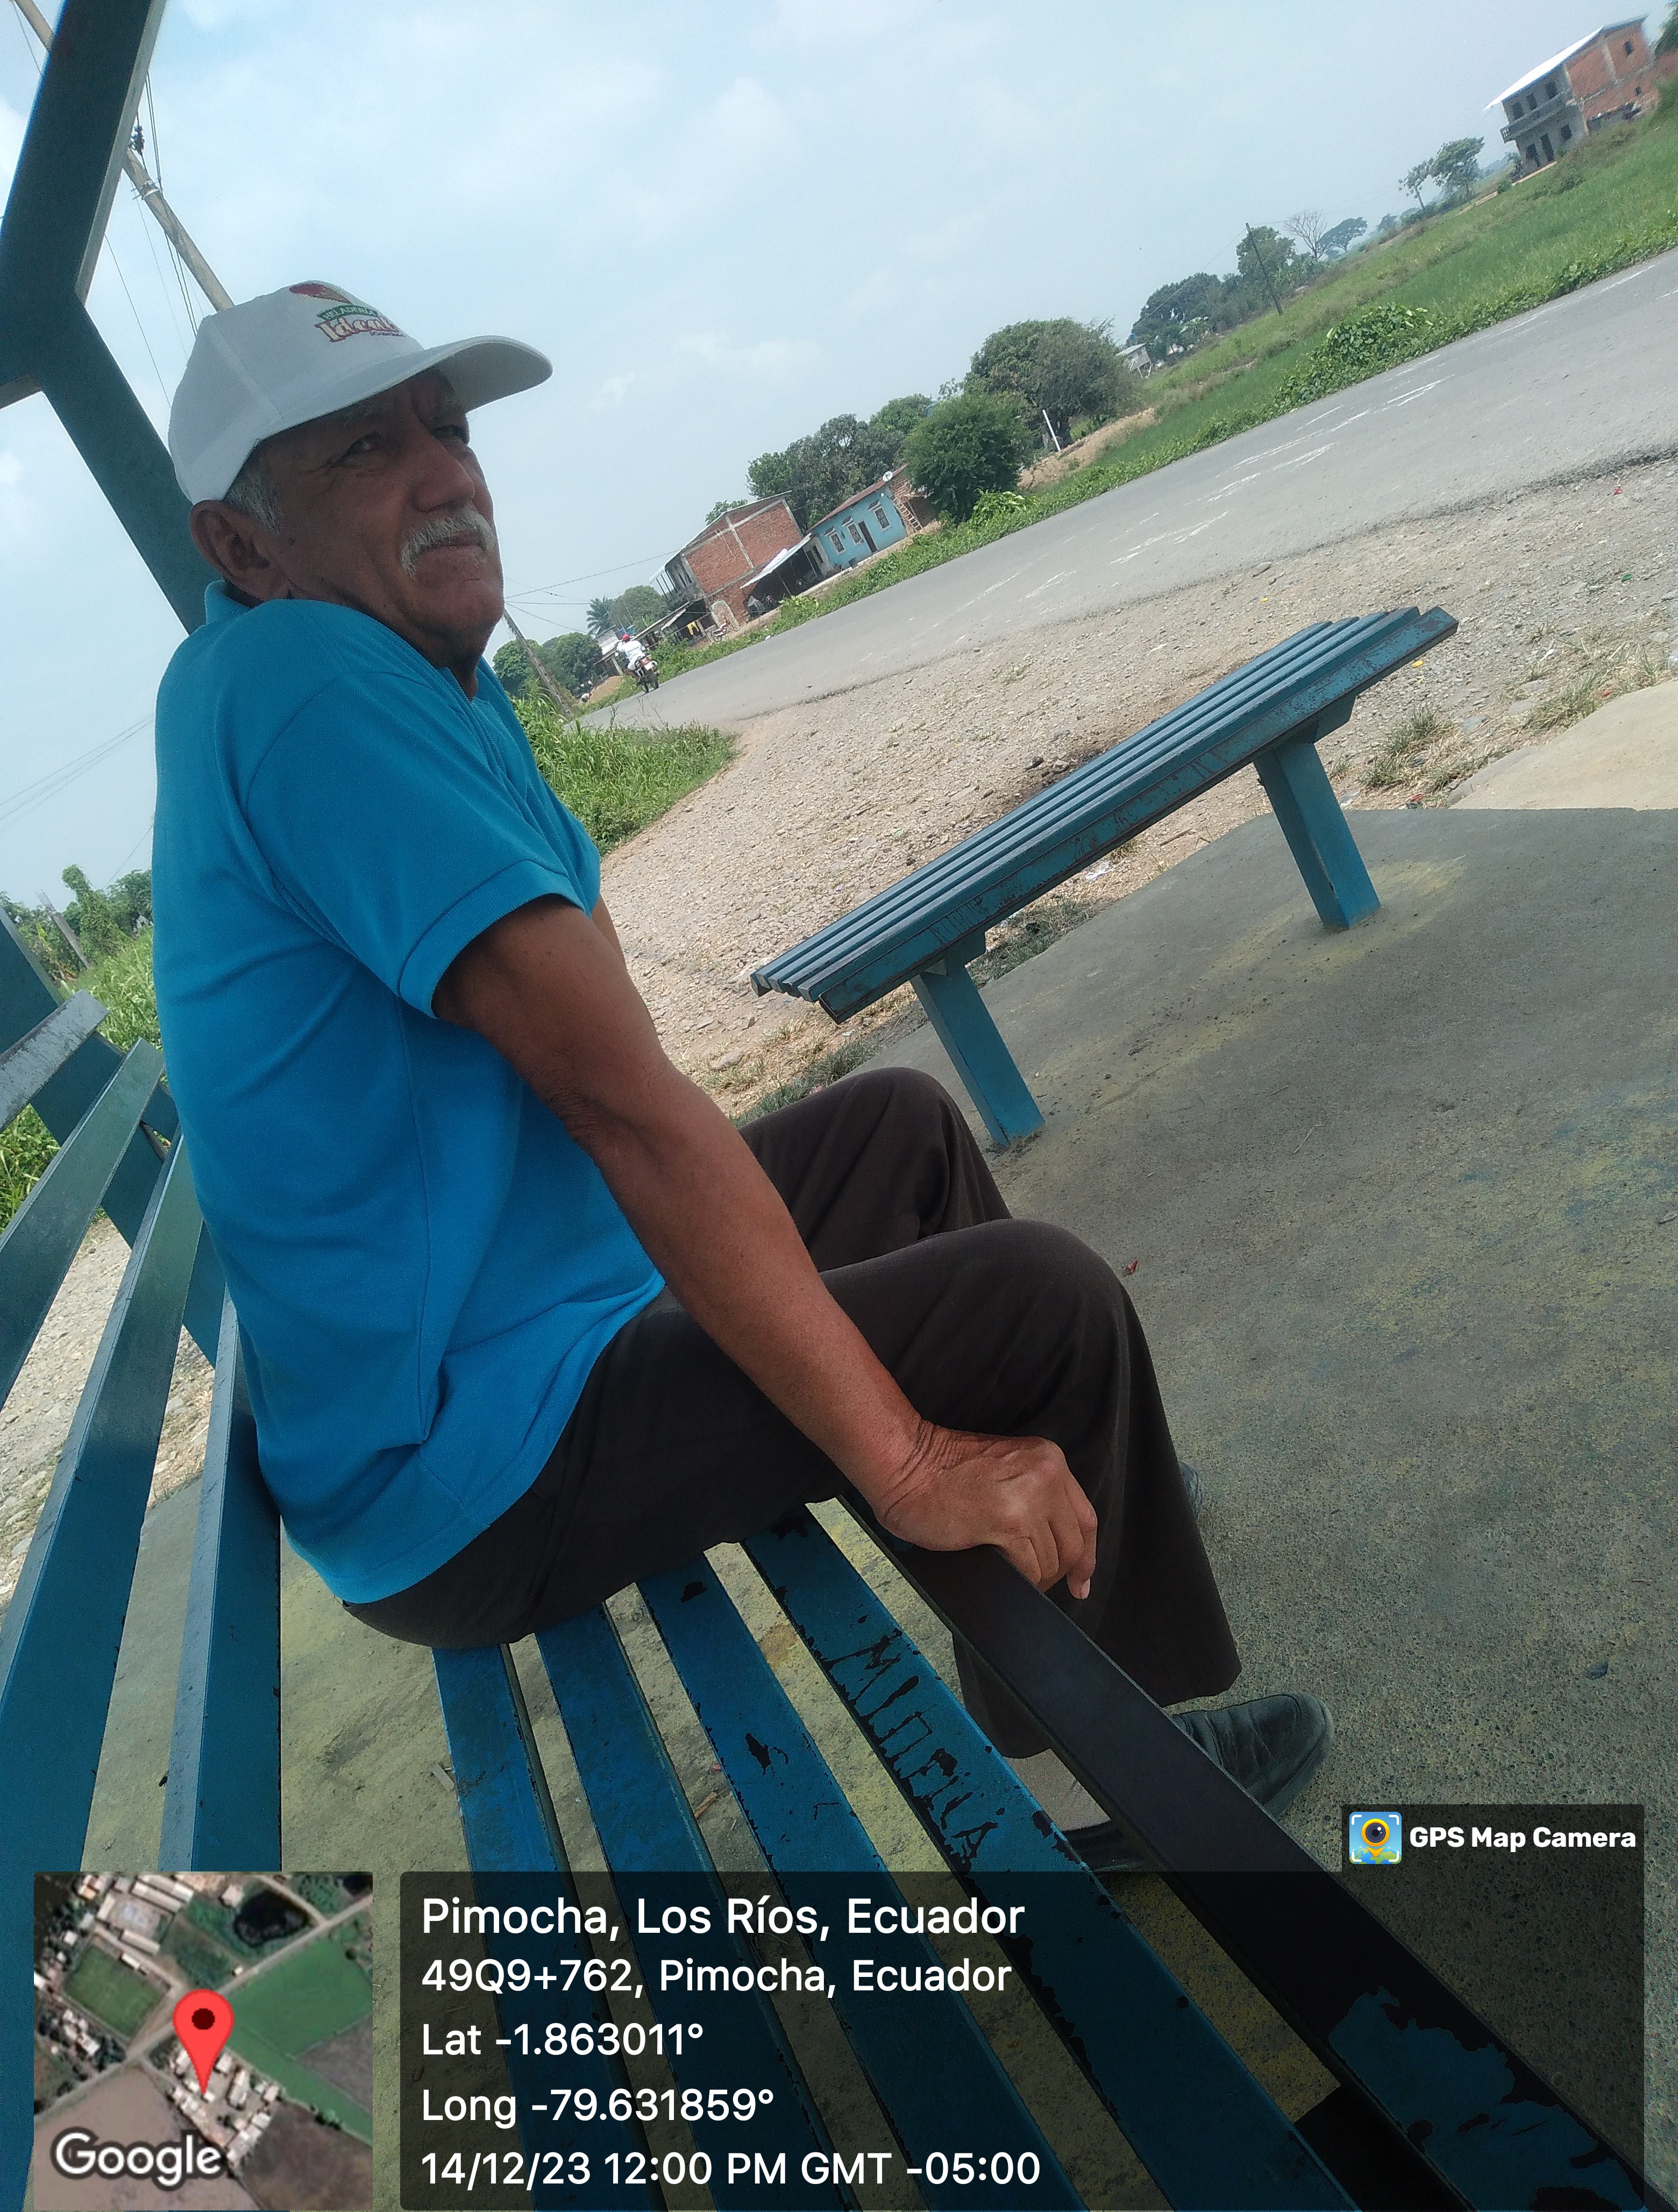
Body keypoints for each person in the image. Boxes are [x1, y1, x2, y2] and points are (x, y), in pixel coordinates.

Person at [152, 283, 1331, 1868]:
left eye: (450, 427)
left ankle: (1071, 1611)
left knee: (902, 1130)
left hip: (532, 1321)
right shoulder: (304, 684)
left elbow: (605, 1042)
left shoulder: (402, 671)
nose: (446, 475)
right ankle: (1124, 1791)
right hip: (467, 1467)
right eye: (368, 450)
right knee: (1047, 1305)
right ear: (244, 544)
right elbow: (620, 1100)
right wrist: (905, 1460)